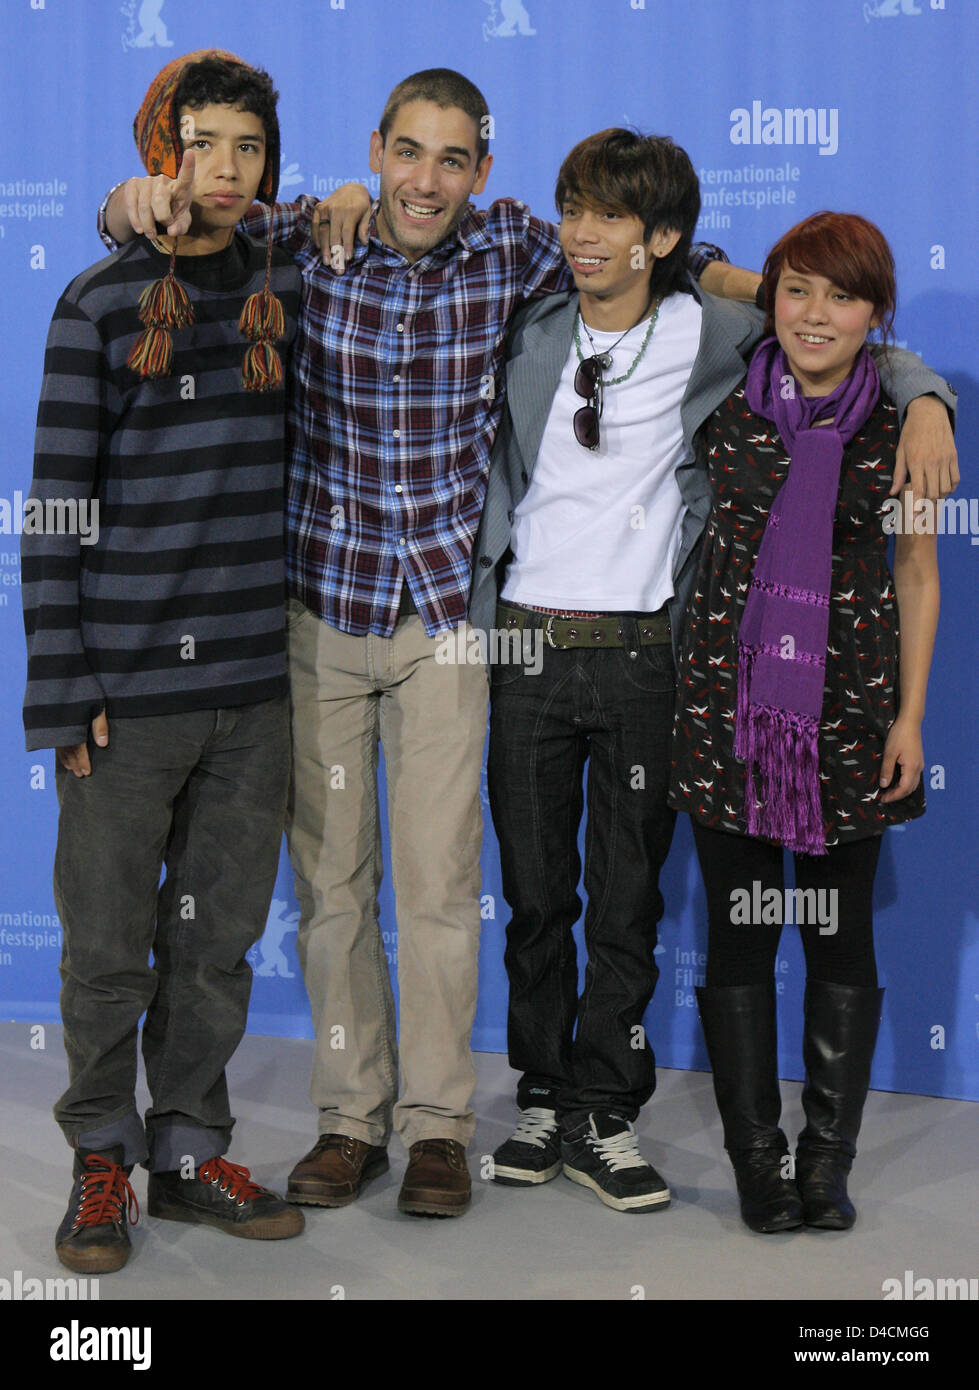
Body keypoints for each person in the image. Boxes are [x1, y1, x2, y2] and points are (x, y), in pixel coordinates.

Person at [99, 71, 743, 1218]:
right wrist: (126, 202)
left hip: (449, 622)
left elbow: (656, 260)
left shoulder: (519, 250)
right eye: (407, 153)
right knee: (334, 887)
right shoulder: (304, 234)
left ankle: (440, 1121)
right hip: (320, 616)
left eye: (452, 160)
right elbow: (175, 220)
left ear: (483, 173)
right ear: (375, 151)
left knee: (442, 888)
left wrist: (879, 360)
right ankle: (353, 1119)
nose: (426, 180)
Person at [470, 138, 957, 1214]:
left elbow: (868, 364)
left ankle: (675, 1124)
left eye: (610, 216)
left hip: (724, 675)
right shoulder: (565, 327)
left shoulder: (764, 360)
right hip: (592, 664)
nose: (584, 233)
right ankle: (577, 1103)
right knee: (545, 896)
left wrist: (928, 396)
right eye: (573, 210)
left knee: (663, 907)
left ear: (664, 239)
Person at [23, 51, 304, 1274]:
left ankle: (189, 1153)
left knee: (218, 940)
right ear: (159, 152)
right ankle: (100, 1162)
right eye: (202, 145)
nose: (225, 170)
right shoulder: (94, 304)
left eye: (249, 148)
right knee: (105, 944)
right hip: (123, 694)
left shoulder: (288, 283)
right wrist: (59, 684)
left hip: (252, 686)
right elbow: (53, 509)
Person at [668, 211, 950, 1233]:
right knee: (739, 941)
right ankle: (756, 1159)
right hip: (729, 712)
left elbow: (915, 574)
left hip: (852, 713)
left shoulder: (902, 422)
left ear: (877, 314)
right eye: (796, 291)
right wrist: (759, 282)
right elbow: (695, 275)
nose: (814, 314)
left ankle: (826, 1162)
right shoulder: (722, 387)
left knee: (838, 944)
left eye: (841, 296)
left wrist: (911, 718)